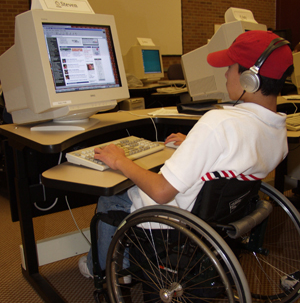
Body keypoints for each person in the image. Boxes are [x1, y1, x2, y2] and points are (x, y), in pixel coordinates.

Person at [79, 30, 294, 279]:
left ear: (249, 79)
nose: (225, 73)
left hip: (176, 220)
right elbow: (238, 156)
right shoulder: (277, 128)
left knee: (111, 195)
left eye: (231, 67)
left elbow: (161, 191)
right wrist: (195, 143)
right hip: (219, 218)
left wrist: (120, 160)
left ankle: (109, 270)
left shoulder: (219, 122)